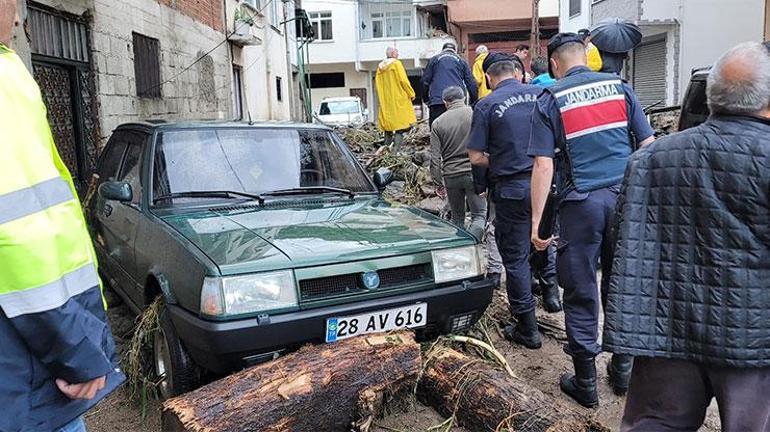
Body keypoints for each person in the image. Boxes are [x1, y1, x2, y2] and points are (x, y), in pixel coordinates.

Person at [604, 41, 770, 432]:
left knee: (654, 424)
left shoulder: (648, 161)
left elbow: (620, 251)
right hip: (753, 340)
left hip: (667, 329)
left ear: (711, 97)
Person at [0, 1, 125, 431]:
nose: (18, 18)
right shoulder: (3, 79)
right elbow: (19, 238)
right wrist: (79, 351)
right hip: (24, 378)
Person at [528, 33, 655, 408]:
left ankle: (586, 385)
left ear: (554, 64)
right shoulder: (620, 88)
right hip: (624, 199)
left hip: (581, 204)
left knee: (580, 286)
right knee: (621, 282)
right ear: (588, 56)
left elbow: (543, 164)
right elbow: (647, 147)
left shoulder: (550, 98)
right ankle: (623, 372)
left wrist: (539, 225)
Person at [468, 52, 558, 349]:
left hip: (512, 189)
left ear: (489, 79)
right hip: (546, 185)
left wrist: (503, 161)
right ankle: (552, 296)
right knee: (546, 242)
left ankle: (528, 328)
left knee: (516, 259)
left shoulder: (486, 104)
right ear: (518, 73)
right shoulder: (543, 94)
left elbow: (476, 156)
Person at [429, 86, 485, 239]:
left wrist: (437, 183)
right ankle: (472, 242)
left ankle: (459, 248)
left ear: (445, 102)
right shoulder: (475, 114)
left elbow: (434, 158)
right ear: (464, 98)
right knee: (479, 215)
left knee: (457, 218)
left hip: (451, 175)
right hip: (475, 173)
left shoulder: (438, 123)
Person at [422, 42, 478, 127]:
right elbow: (471, 83)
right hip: (457, 103)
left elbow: (424, 81)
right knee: (458, 131)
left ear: (442, 50)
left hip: (438, 101)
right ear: (455, 51)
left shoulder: (434, 60)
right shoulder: (461, 61)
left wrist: (426, 98)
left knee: (436, 130)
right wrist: (474, 101)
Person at [375, 47, 417, 152]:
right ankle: (395, 151)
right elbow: (403, 81)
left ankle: (385, 149)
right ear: (393, 54)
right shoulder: (396, 64)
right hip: (398, 99)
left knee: (388, 127)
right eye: (397, 52)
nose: (398, 54)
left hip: (386, 101)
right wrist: (411, 93)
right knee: (400, 127)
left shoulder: (380, 68)